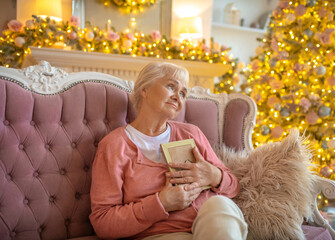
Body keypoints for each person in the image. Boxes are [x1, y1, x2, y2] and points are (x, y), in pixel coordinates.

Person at [89, 62, 248, 240]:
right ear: (144, 89)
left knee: (220, 205)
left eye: (182, 93)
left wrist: (214, 175)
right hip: (160, 234)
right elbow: (103, 222)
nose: (177, 97)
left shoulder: (191, 133)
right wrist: (162, 203)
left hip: (209, 224)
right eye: (171, 86)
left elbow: (234, 187)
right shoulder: (114, 146)